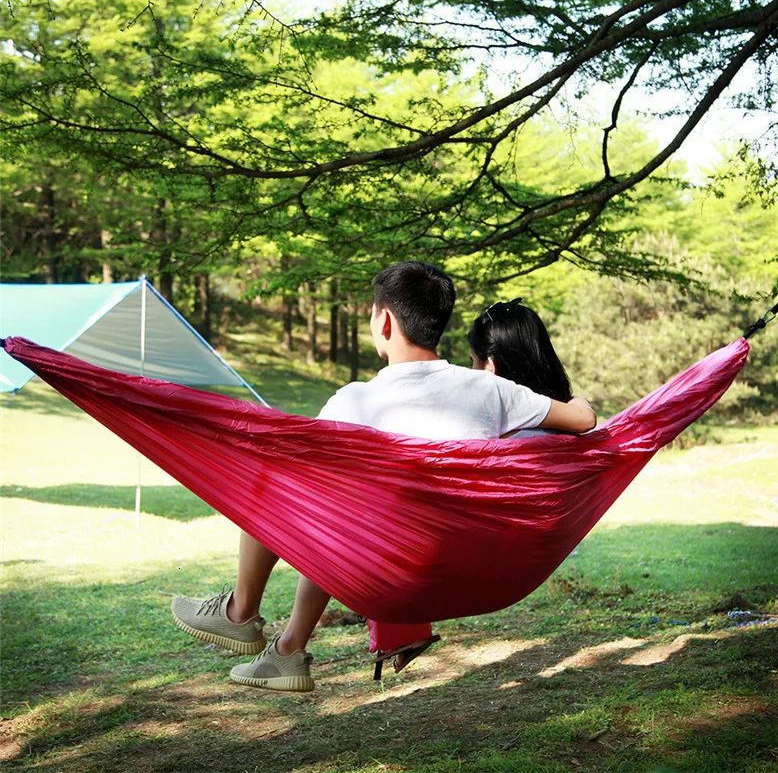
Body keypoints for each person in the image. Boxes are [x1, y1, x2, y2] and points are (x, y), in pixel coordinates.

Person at [171, 262, 596, 692]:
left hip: (386, 579)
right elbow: (583, 420)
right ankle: (286, 652)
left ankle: (241, 612)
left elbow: (298, 485)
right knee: (336, 514)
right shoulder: (492, 389)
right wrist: (576, 398)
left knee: (276, 482)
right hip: (476, 572)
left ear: (385, 320)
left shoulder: (352, 403)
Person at [467, 298, 578, 437]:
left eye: (473, 361)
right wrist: (576, 402)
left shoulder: (477, 435)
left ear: (490, 367)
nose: (472, 370)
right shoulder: (574, 424)